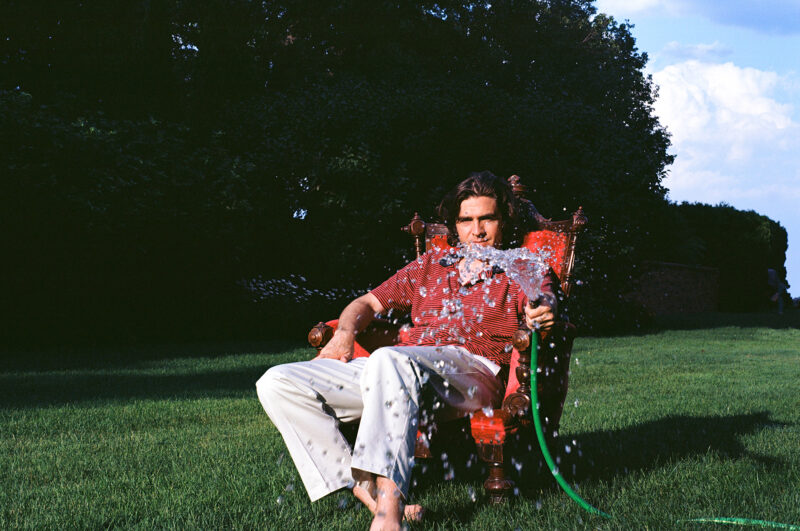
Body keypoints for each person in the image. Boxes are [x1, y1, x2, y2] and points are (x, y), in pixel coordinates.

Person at [256, 171, 557, 531]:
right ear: (455, 226)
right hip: (399, 370)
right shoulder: (431, 265)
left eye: (487, 219)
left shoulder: (523, 265)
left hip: (472, 375)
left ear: (503, 221)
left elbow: (544, 300)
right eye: (467, 220)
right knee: (279, 381)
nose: (477, 231)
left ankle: (388, 513)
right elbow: (366, 302)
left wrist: (543, 310)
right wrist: (345, 333)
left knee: (390, 359)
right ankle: (364, 491)